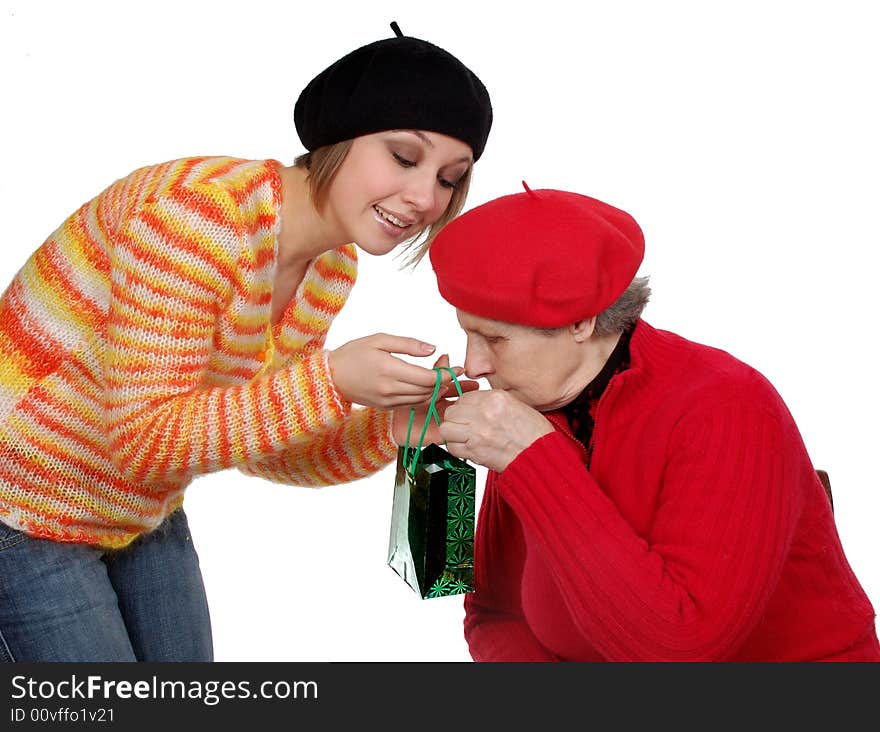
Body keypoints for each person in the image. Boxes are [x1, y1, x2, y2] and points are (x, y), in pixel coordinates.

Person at [0, 23, 491, 662]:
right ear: (336, 136)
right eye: (403, 157)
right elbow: (145, 444)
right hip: (20, 503)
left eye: (451, 179)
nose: (426, 197)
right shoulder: (197, 220)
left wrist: (392, 428)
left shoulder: (329, 265)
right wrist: (331, 381)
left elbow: (266, 448)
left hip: (137, 509)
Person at [429, 183, 880, 661]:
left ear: (581, 322)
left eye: (494, 340)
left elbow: (679, 648)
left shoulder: (727, 406)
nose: (472, 364)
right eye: (467, 334)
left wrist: (534, 459)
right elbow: (494, 613)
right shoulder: (532, 404)